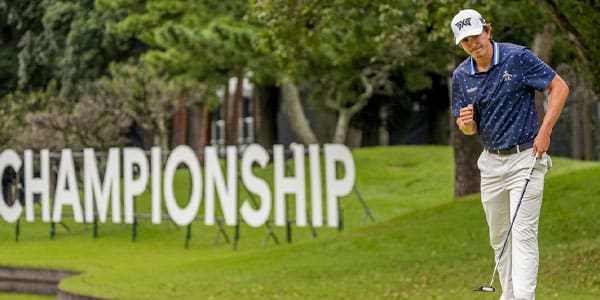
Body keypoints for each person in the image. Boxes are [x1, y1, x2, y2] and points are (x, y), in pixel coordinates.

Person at [450, 9, 569, 300]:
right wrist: (466, 125)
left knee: (523, 233)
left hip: (526, 157)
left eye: (475, 36)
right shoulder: (461, 76)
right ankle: (510, 294)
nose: (472, 44)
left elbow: (559, 86)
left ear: (488, 31)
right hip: (491, 162)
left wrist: (546, 130)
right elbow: (467, 126)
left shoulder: (517, 57)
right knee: (499, 238)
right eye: (465, 41)